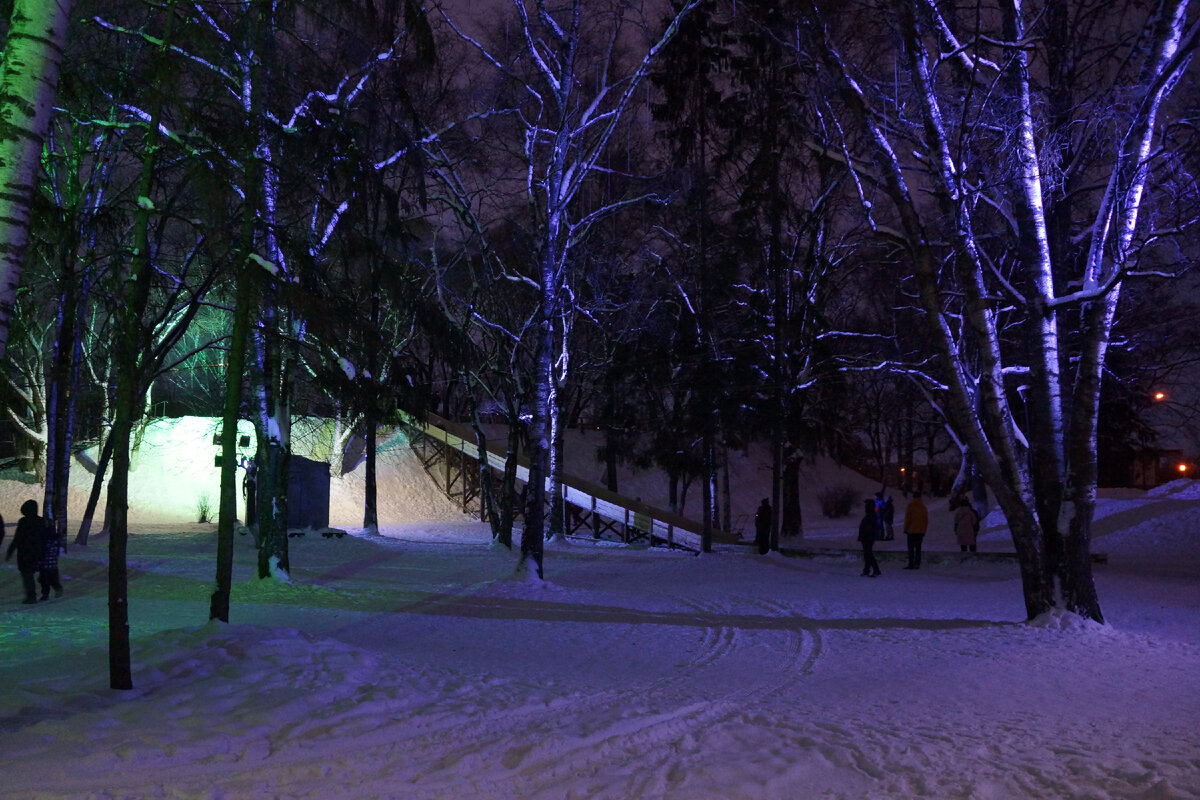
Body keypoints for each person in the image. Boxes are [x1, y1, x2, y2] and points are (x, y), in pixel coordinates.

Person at [6, 499, 45, 604]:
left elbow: (17, 538)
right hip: (37, 551)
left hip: (25, 552)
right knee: (34, 574)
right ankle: (44, 593)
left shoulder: (23, 521)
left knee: (27, 574)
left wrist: (10, 551)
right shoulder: (41, 521)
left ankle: (31, 596)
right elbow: (45, 537)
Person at [38, 514, 65, 600]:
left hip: (45, 565)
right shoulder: (56, 541)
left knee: (44, 581)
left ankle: (45, 595)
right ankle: (58, 588)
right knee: (52, 580)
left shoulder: (45, 541)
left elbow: (42, 552)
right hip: (53, 565)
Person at [902, 491, 929, 569]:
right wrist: (924, 530)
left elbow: (908, 519)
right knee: (918, 548)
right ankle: (917, 563)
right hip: (920, 531)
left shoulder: (910, 506)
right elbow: (925, 520)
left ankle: (911, 563)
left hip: (911, 530)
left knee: (911, 548)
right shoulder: (923, 507)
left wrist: (905, 528)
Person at [858, 498, 881, 577]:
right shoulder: (870, 515)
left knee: (868, 554)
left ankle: (875, 569)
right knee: (867, 554)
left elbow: (868, 528)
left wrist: (863, 535)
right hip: (867, 537)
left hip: (868, 537)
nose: (865, 507)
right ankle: (867, 569)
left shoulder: (871, 516)